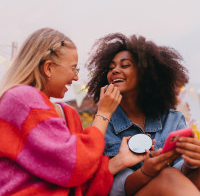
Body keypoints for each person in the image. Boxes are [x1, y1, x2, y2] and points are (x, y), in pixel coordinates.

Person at [0, 28, 148, 196]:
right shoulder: (20, 99)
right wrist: (104, 113)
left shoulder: (68, 114)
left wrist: (120, 161)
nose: (77, 78)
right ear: (48, 68)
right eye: (73, 69)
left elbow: (79, 183)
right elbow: (75, 165)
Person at [86, 33, 200, 195]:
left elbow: (183, 172)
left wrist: (192, 162)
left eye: (124, 65)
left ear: (145, 73)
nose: (115, 70)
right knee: (168, 174)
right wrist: (147, 172)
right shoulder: (105, 125)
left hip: (176, 187)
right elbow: (116, 189)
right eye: (111, 68)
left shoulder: (173, 119)